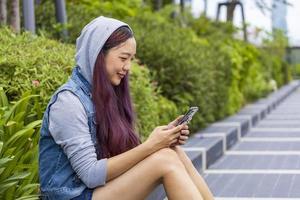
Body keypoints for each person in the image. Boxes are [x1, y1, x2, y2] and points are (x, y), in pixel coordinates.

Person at [38, 16, 214, 200]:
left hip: (98, 192)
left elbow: (118, 158)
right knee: (164, 160)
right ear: (97, 54)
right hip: (73, 196)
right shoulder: (68, 102)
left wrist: (163, 141)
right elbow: (90, 175)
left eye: (131, 59)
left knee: (172, 151)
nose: (128, 67)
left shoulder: (107, 94)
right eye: (123, 58)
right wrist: (151, 145)